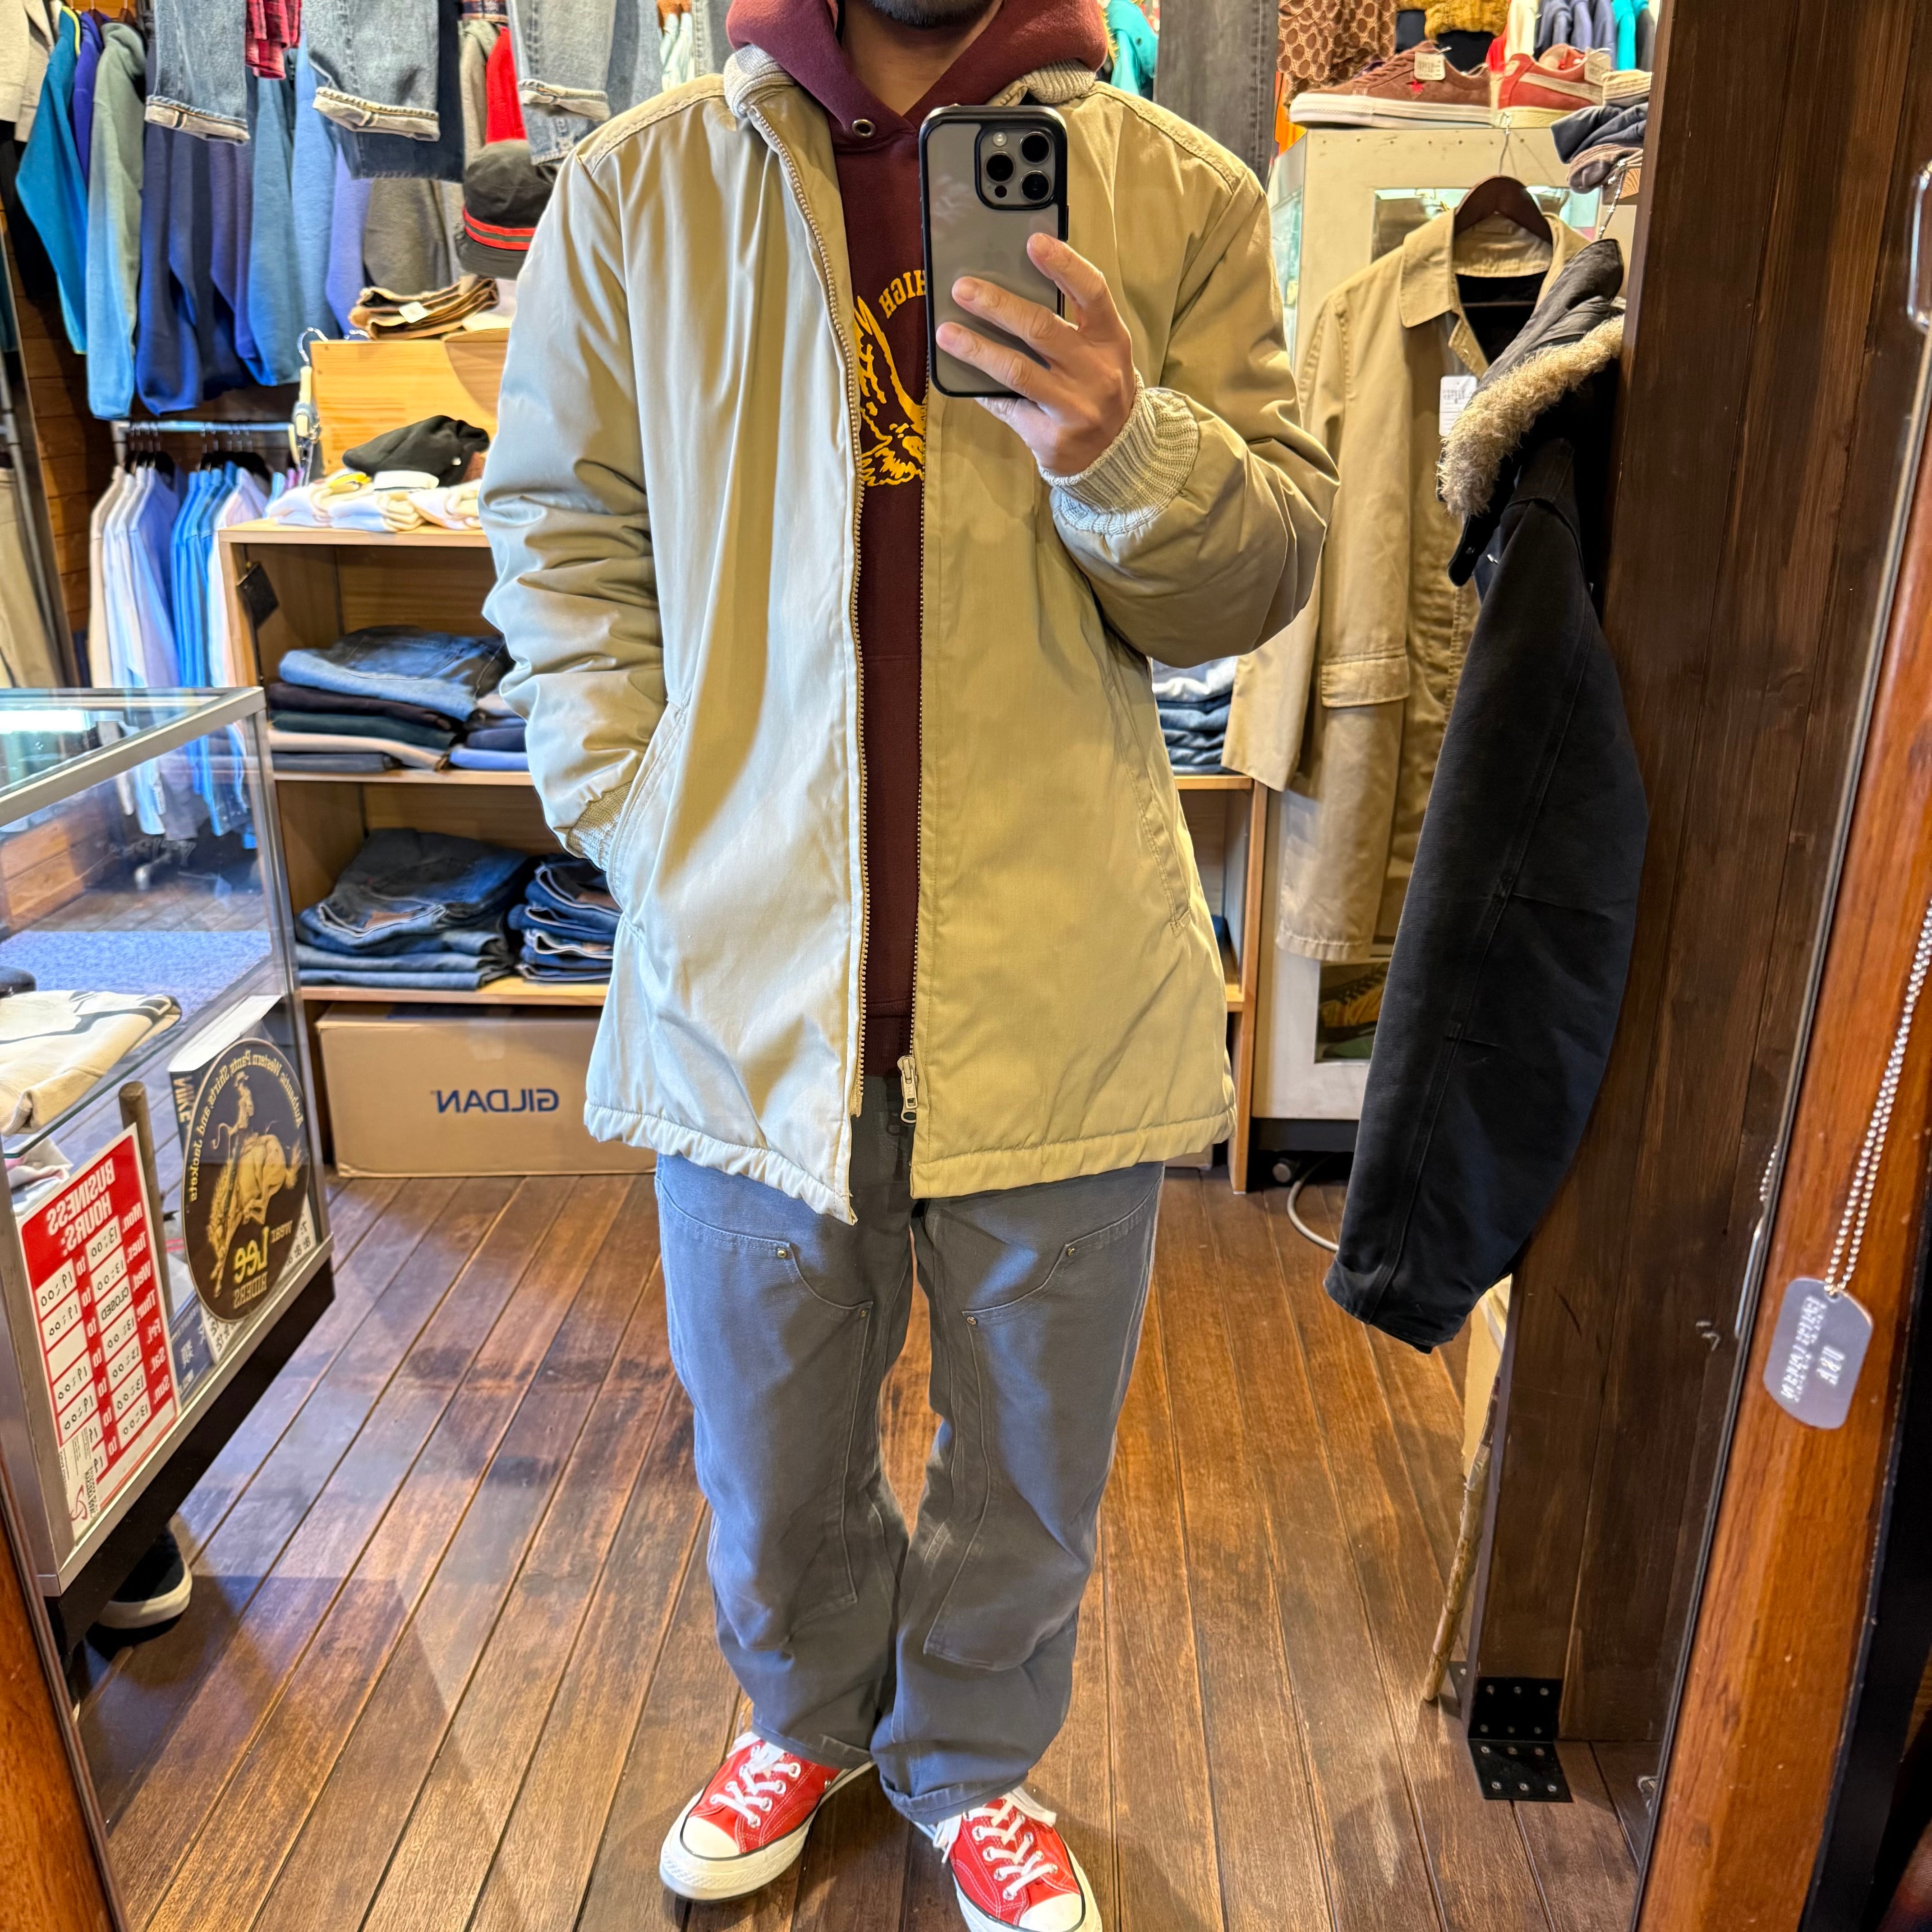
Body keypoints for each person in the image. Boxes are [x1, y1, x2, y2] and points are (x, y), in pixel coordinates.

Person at [478, 0, 1334, 1917]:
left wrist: (1124, 446)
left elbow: (1264, 567)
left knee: (1031, 1458)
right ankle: (805, 1713)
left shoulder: (1176, 196)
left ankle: (970, 1761)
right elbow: (560, 532)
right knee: (768, 1450)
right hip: (745, 977)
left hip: (1060, 975)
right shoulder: (637, 193)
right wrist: (638, 809)